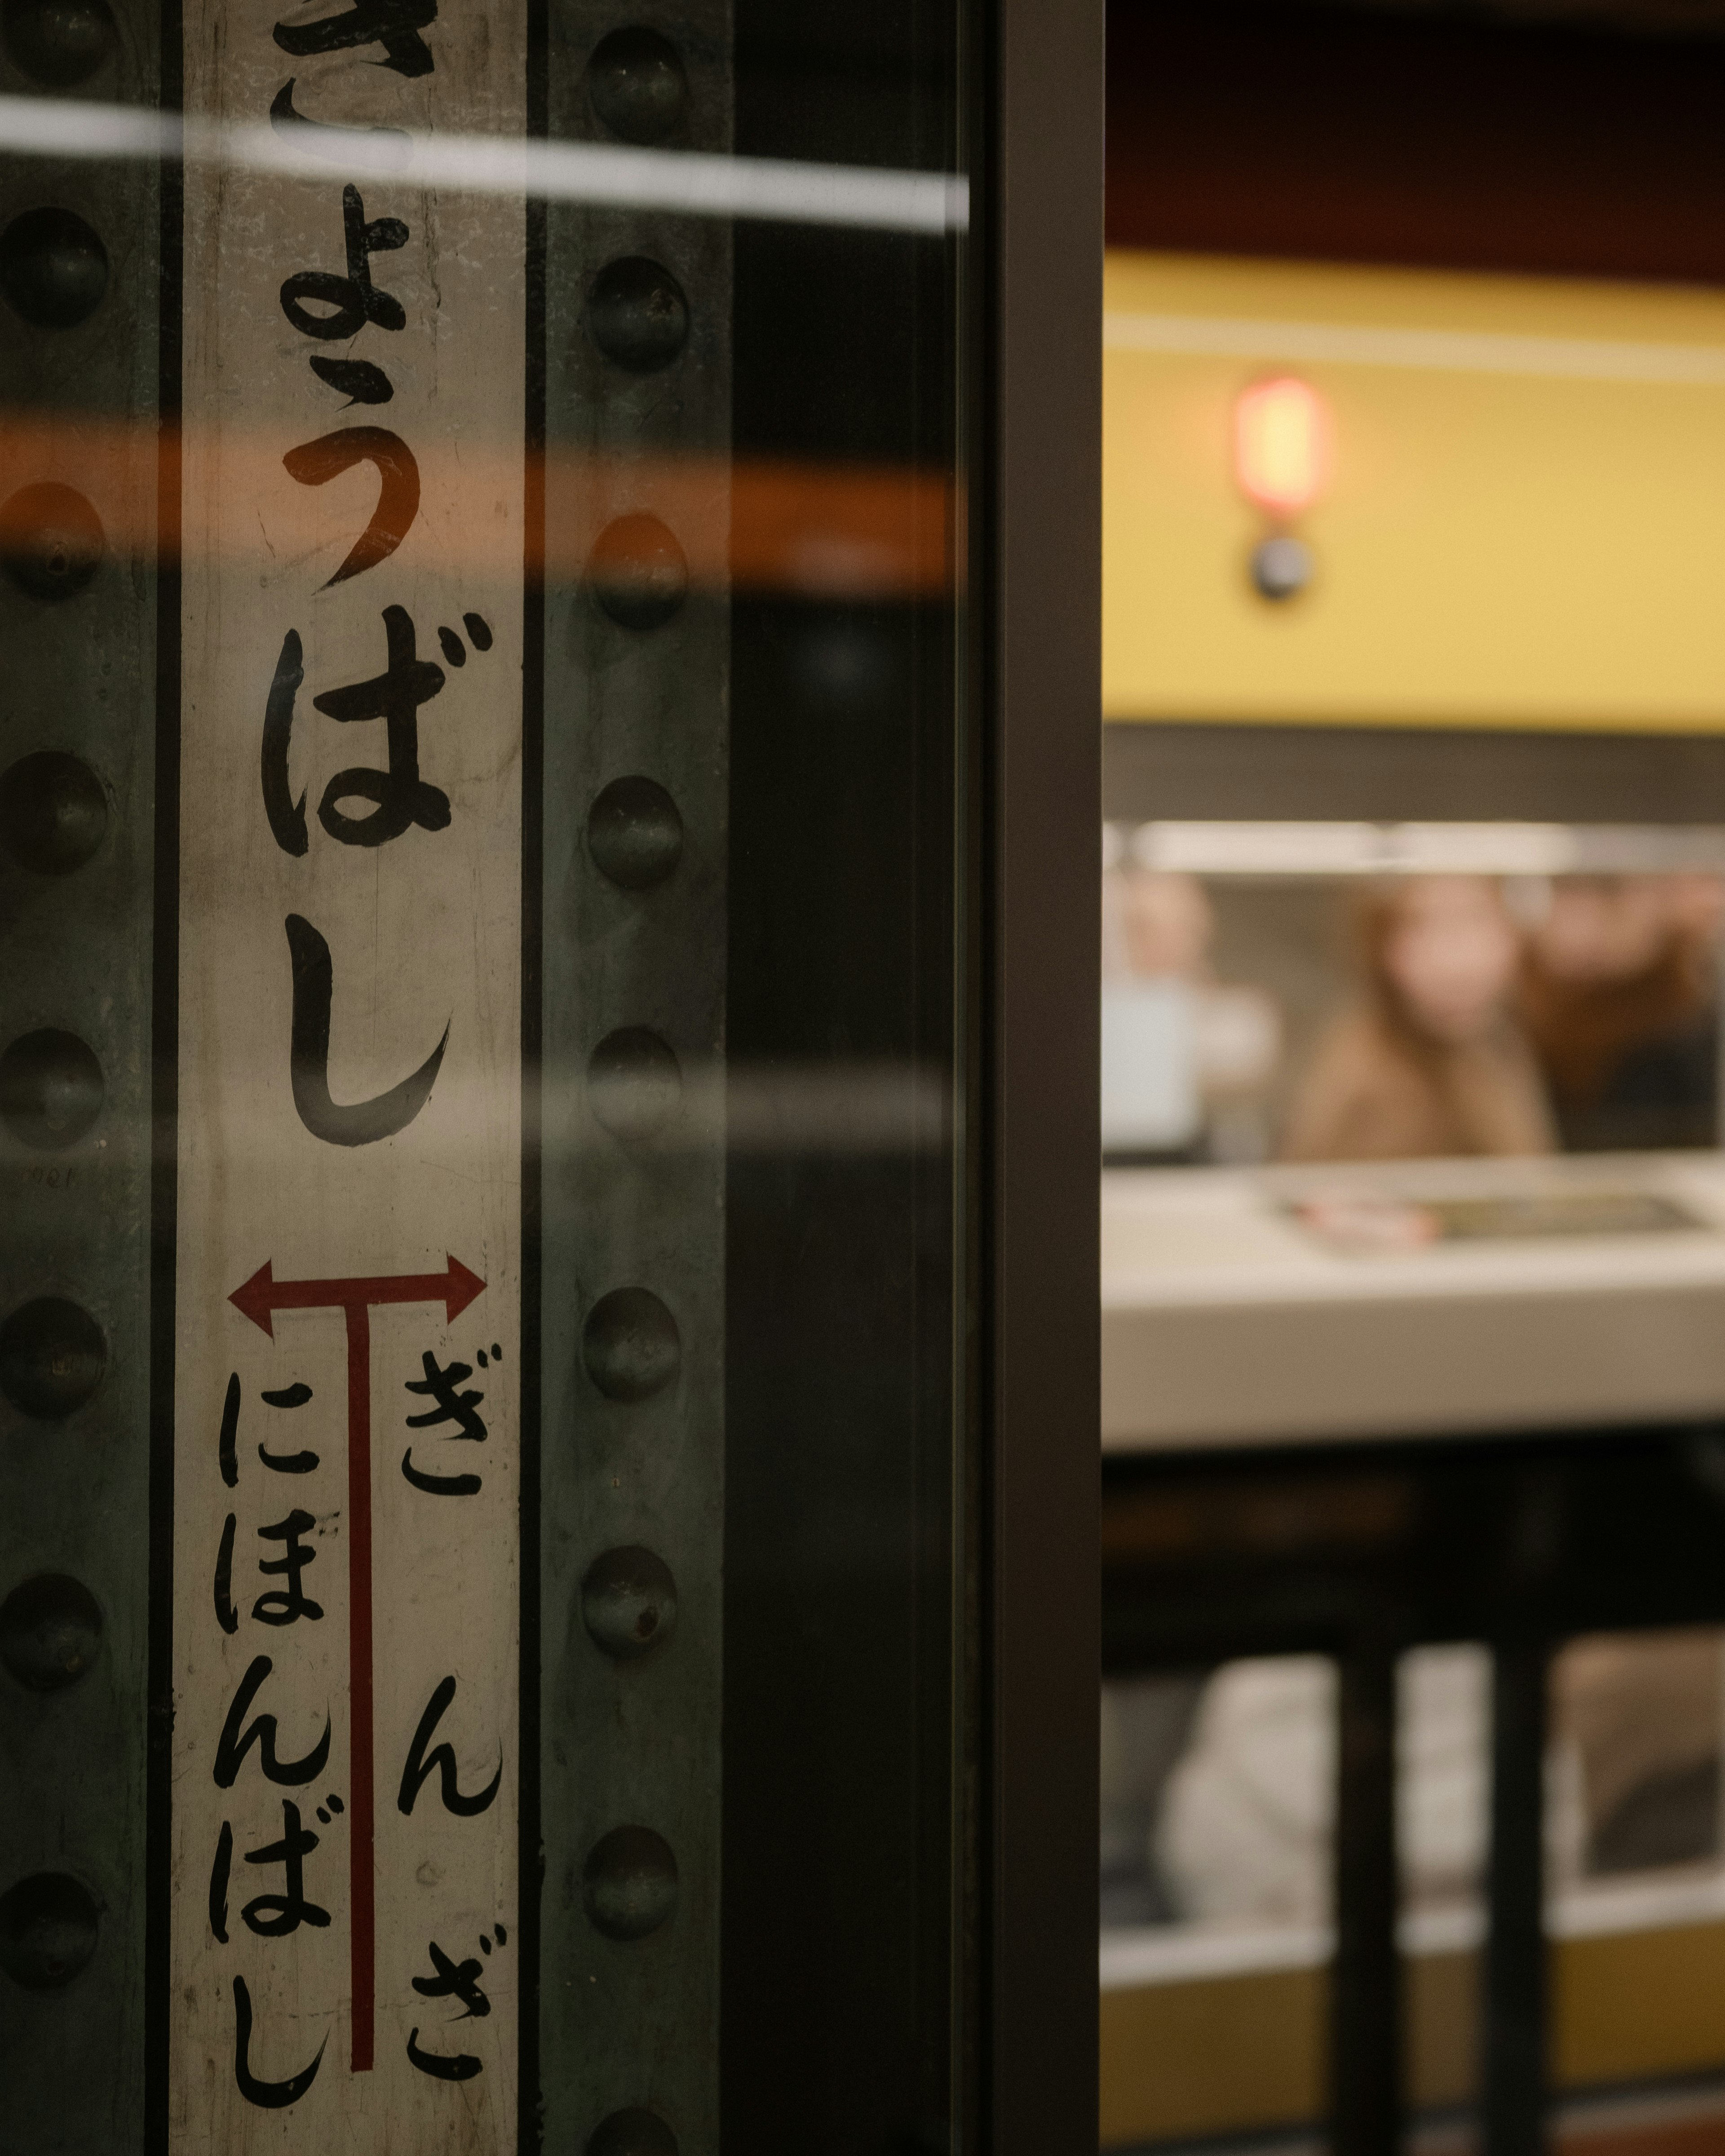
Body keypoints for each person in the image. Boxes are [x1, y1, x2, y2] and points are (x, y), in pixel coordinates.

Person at [1280, 875, 1554, 1162]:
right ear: (1380, 944)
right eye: (1424, 925)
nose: (1458, 962)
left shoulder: (1496, 1046)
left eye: (1479, 918)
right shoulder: (1365, 1075)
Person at [1520, 874, 1722, 1153]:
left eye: (1608, 894)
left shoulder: (1686, 1026)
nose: (1581, 917)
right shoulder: (1521, 1008)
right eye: (1565, 892)